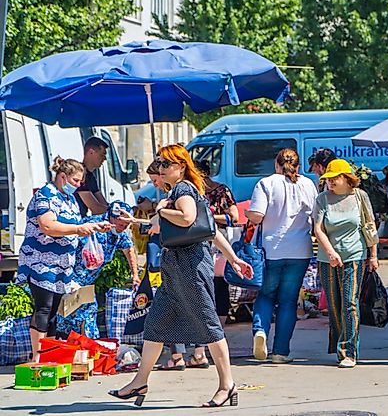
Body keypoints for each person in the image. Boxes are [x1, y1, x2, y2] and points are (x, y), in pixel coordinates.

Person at [109, 145, 253, 408]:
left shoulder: (182, 190)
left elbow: (187, 219)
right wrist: (234, 258)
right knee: (155, 324)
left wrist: (161, 209)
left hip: (189, 266)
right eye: (160, 164)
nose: (161, 169)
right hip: (178, 266)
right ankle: (140, 381)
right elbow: (208, 230)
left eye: (166, 164)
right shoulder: (187, 192)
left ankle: (227, 384)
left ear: (181, 166)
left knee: (209, 325)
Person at [16, 157, 109, 361]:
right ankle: (36, 359)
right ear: (62, 176)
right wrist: (78, 229)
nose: (77, 186)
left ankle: (48, 355)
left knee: (53, 312)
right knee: (44, 307)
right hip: (40, 262)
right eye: (75, 181)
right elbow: (47, 226)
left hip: (61, 266)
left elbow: (74, 223)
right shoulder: (45, 195)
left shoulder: (69, 199)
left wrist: (94, 226)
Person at [163, 159, 240, 371]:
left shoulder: (187, 191)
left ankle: (218, 372)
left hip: (201, 252)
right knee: (162, 319)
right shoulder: (191, 191)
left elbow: (232, 217)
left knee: (208, 309)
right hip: (202, 250)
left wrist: (203, 218)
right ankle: (142, 379)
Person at [246, 148, 318, 364]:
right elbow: (315, 219)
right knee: (288, 301)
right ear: (298, 166)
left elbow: (257, 217)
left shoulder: (266, 184)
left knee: (266, 295)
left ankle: (260, 330)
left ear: (276, 165)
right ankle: (280, 352)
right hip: (299, 250)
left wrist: (248, 213)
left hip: (270, 250)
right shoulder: (307, 184)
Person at [313, 159, 379, 368]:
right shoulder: (323, 198)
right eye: (328, 179)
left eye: (334, 179)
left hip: (354, 255)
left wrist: (373, 255)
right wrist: (331, 253)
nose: (330, 182)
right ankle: (339, 342)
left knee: (349, 303)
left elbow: (370, 226)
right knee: (334, 305)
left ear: (347, 178)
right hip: (328, 259)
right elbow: (318, 229)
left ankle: (348, 351)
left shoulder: (360, 197)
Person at [58, 201, 141, 339]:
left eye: (126, 225)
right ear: (112, 217)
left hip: (88, 282)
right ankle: (69, 343)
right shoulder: (92, 223)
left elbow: (129, 249)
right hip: (70, 277)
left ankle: (85, 344)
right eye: (121, 224)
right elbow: (70, 241)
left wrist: (135, 274)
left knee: (87, 311)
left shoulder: (119, 233)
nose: (123, 228)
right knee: (70, 312)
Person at [75, 136, 110, 216]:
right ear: (91, 152)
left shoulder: (90, 176)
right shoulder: (79, 174)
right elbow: (95, 208)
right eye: (102, 155)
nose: (105, 159)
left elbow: (103, 203)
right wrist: (119, 213)